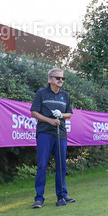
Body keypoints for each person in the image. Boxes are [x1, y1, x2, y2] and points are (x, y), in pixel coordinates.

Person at [30, 67, 75, 208]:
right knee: (42, 165)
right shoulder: (41, 93)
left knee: (61, 165)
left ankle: (62, 195)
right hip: (45, 133)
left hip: (60, 133)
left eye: (62, 78)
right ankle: (39, 198)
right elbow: (34, 113)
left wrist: (61, 115)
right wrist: (49, 120)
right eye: (58, 78)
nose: (60, 80)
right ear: (50, 79)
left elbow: (70, 114)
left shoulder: (65, 95)